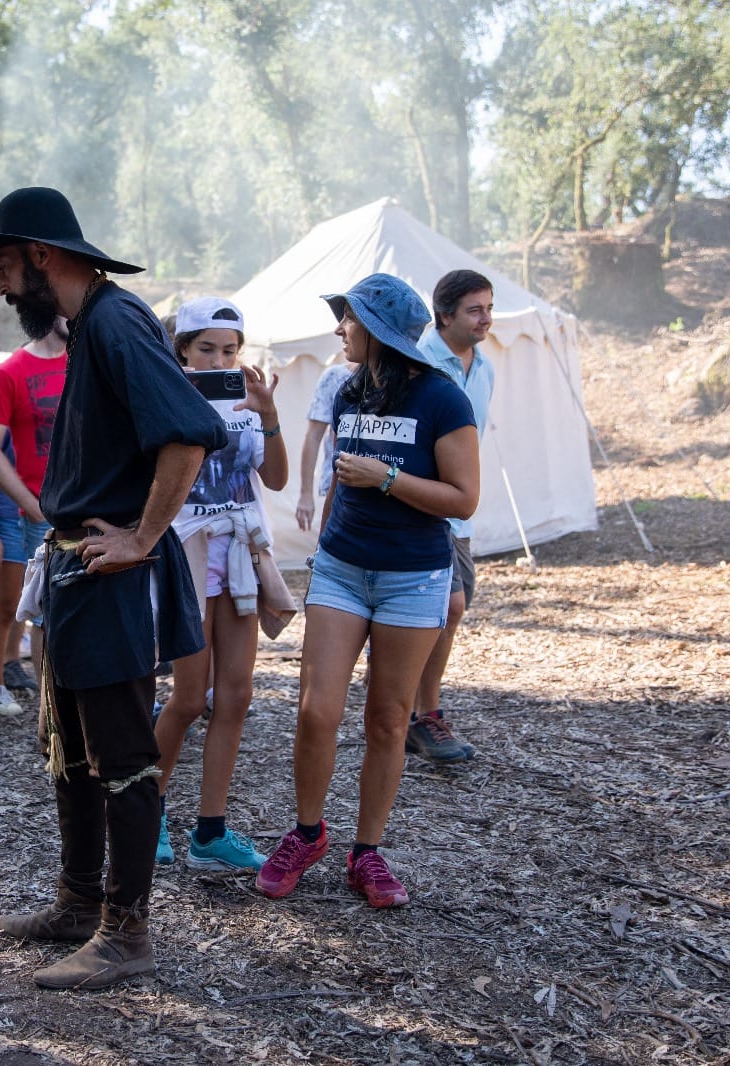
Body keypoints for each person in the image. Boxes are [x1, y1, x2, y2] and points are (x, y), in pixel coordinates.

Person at [0, 187, 224, 989]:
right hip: (73, 571)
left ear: (41, 255)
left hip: (110, 574)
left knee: (124, 759)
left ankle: (126, 935)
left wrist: (144, 537)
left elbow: (192, 435)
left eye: (2, 267)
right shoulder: (90, 327)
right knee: (73, 754)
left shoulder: (118, 320)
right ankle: (77, 904)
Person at [254, 273, 478, 910]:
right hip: (342, 569)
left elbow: (463, 498)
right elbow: (337, 478)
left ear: (376, 329)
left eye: (346, 318)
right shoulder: (348, 389)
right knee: (315, 711)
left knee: (386, 720)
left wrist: (387, 478)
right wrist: (330, 522)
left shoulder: (443, 399)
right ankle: (307, 833)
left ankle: (367, 852)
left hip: (414, 577)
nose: (337, 329)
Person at [152, 298, 287, 872]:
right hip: (188, 554)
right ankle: (148, 814)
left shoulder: (247, 403)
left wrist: (268, 414)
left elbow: (275, 478)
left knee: (235, 695)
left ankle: (210, 831)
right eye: (206, 348)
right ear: (181, 348)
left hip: (242, 554)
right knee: (188, 695)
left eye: (229, 349)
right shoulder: (163, 394)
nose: (219, 359)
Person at [408, 270, 496, 763]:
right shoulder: (418, 363)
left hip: (459, 515)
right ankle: (422, 715)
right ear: (444, 315)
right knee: (450, 606)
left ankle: (409, 713)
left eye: (488, 307)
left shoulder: (485, 369)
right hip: (422, 506)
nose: (486, 318)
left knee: (449, 612)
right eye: (475, 309)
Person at [0, 317, 67, 715]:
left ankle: (55, 705)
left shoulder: (84, 365)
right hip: (20, 512)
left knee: (55, 612)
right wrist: (18, 512)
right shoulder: (9, 373)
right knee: (10, 604)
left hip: (72, 509)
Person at [295, 358, 356, 537]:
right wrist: (306, 494)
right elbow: (313, 436)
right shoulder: (335, 377)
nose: (340, 331)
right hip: (338, 488)